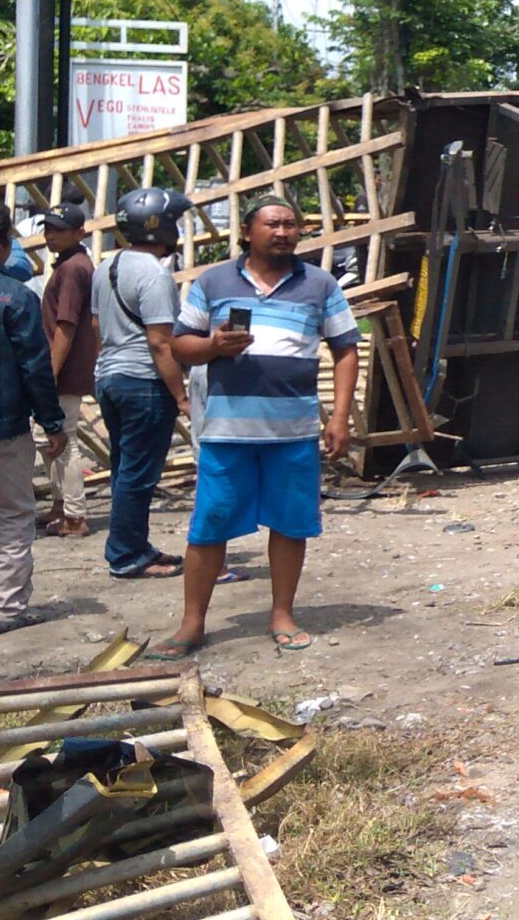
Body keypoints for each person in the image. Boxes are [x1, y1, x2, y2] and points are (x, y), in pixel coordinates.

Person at [154, 197, 358, 658]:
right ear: (247, 232)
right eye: (272, 224)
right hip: (227, 432)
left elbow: (346, 349)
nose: (283, 232)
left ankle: (282, 614)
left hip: (294, 433)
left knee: (290, 525)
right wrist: (213, 346)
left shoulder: (319, 284)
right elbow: (180, 346)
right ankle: (192, 624)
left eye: (291, 224)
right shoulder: (214, 281)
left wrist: (340, 416)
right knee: (209, 526)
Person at [95, 188, 193, 580]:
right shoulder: (154, 274)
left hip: (110, 377)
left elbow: (96, 326)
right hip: (143, 382)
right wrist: (181, 396)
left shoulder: (108, 265)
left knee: (124, 468)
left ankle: (134, 544)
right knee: (139, 474)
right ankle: (127, 555)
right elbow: (159, 342)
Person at [0, 200, 70, 637]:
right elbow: (35, 369)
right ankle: (3, 607)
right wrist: (52, 423)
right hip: (4, 430)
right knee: (14, 517)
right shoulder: (15, 297)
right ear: (2, 244)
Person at [36, 203, 99, 539]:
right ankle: (62, 505)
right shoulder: (72, 264)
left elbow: (66, 325)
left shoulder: (73, 269)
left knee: (62, 438)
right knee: (49, 437)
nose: (50, 235)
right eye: (48, 229)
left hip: (66, 370)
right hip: (68, 369)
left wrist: (49, 373)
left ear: (79, 233)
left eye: (59, 230)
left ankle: (75, 515)